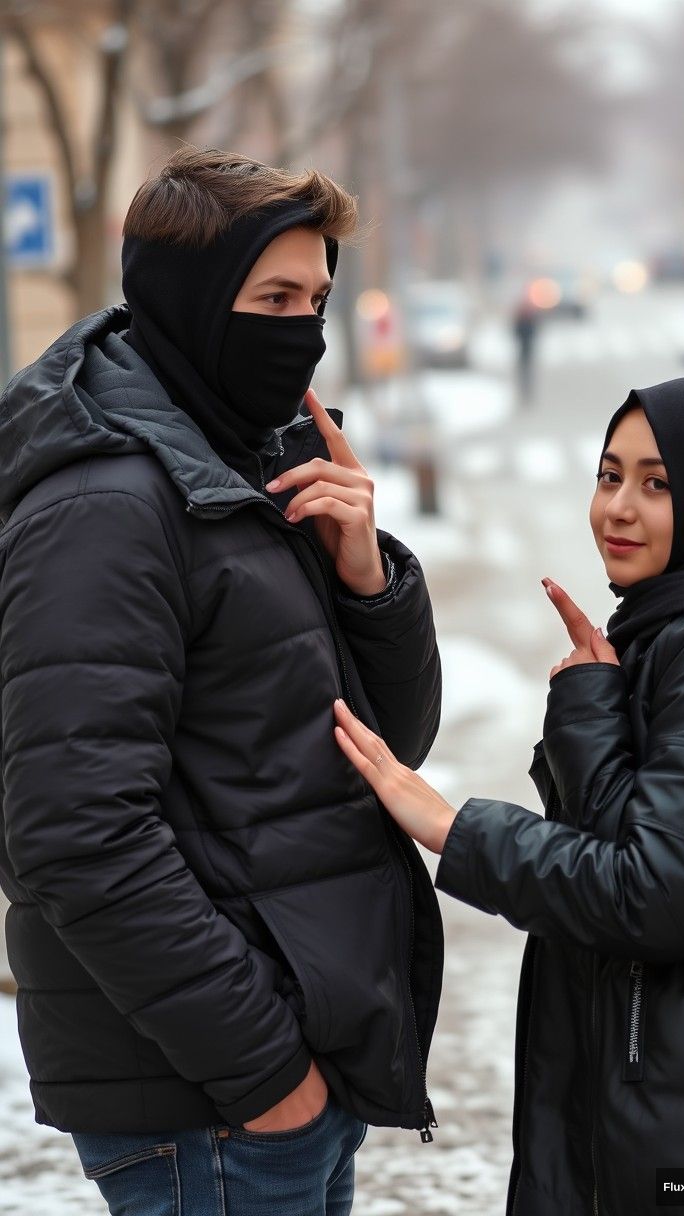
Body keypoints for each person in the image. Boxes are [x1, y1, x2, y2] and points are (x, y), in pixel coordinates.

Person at [0, 147, 443, 1216]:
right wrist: (265, 1073)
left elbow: (388, 746)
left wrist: (366, 575)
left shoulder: (247, 456)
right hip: (209, 1100)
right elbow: (73, 828)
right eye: (275, 298)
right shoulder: (107, 502)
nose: (304, 329)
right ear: (193, 300)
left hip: (282, 1066)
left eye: (319, 299)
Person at [333, 375, 684, 1216]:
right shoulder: (681, 625)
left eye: (659, 483)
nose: (619, 509)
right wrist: (598, 699)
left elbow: (650, 894)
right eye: (609, 476)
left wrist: (460, 829)